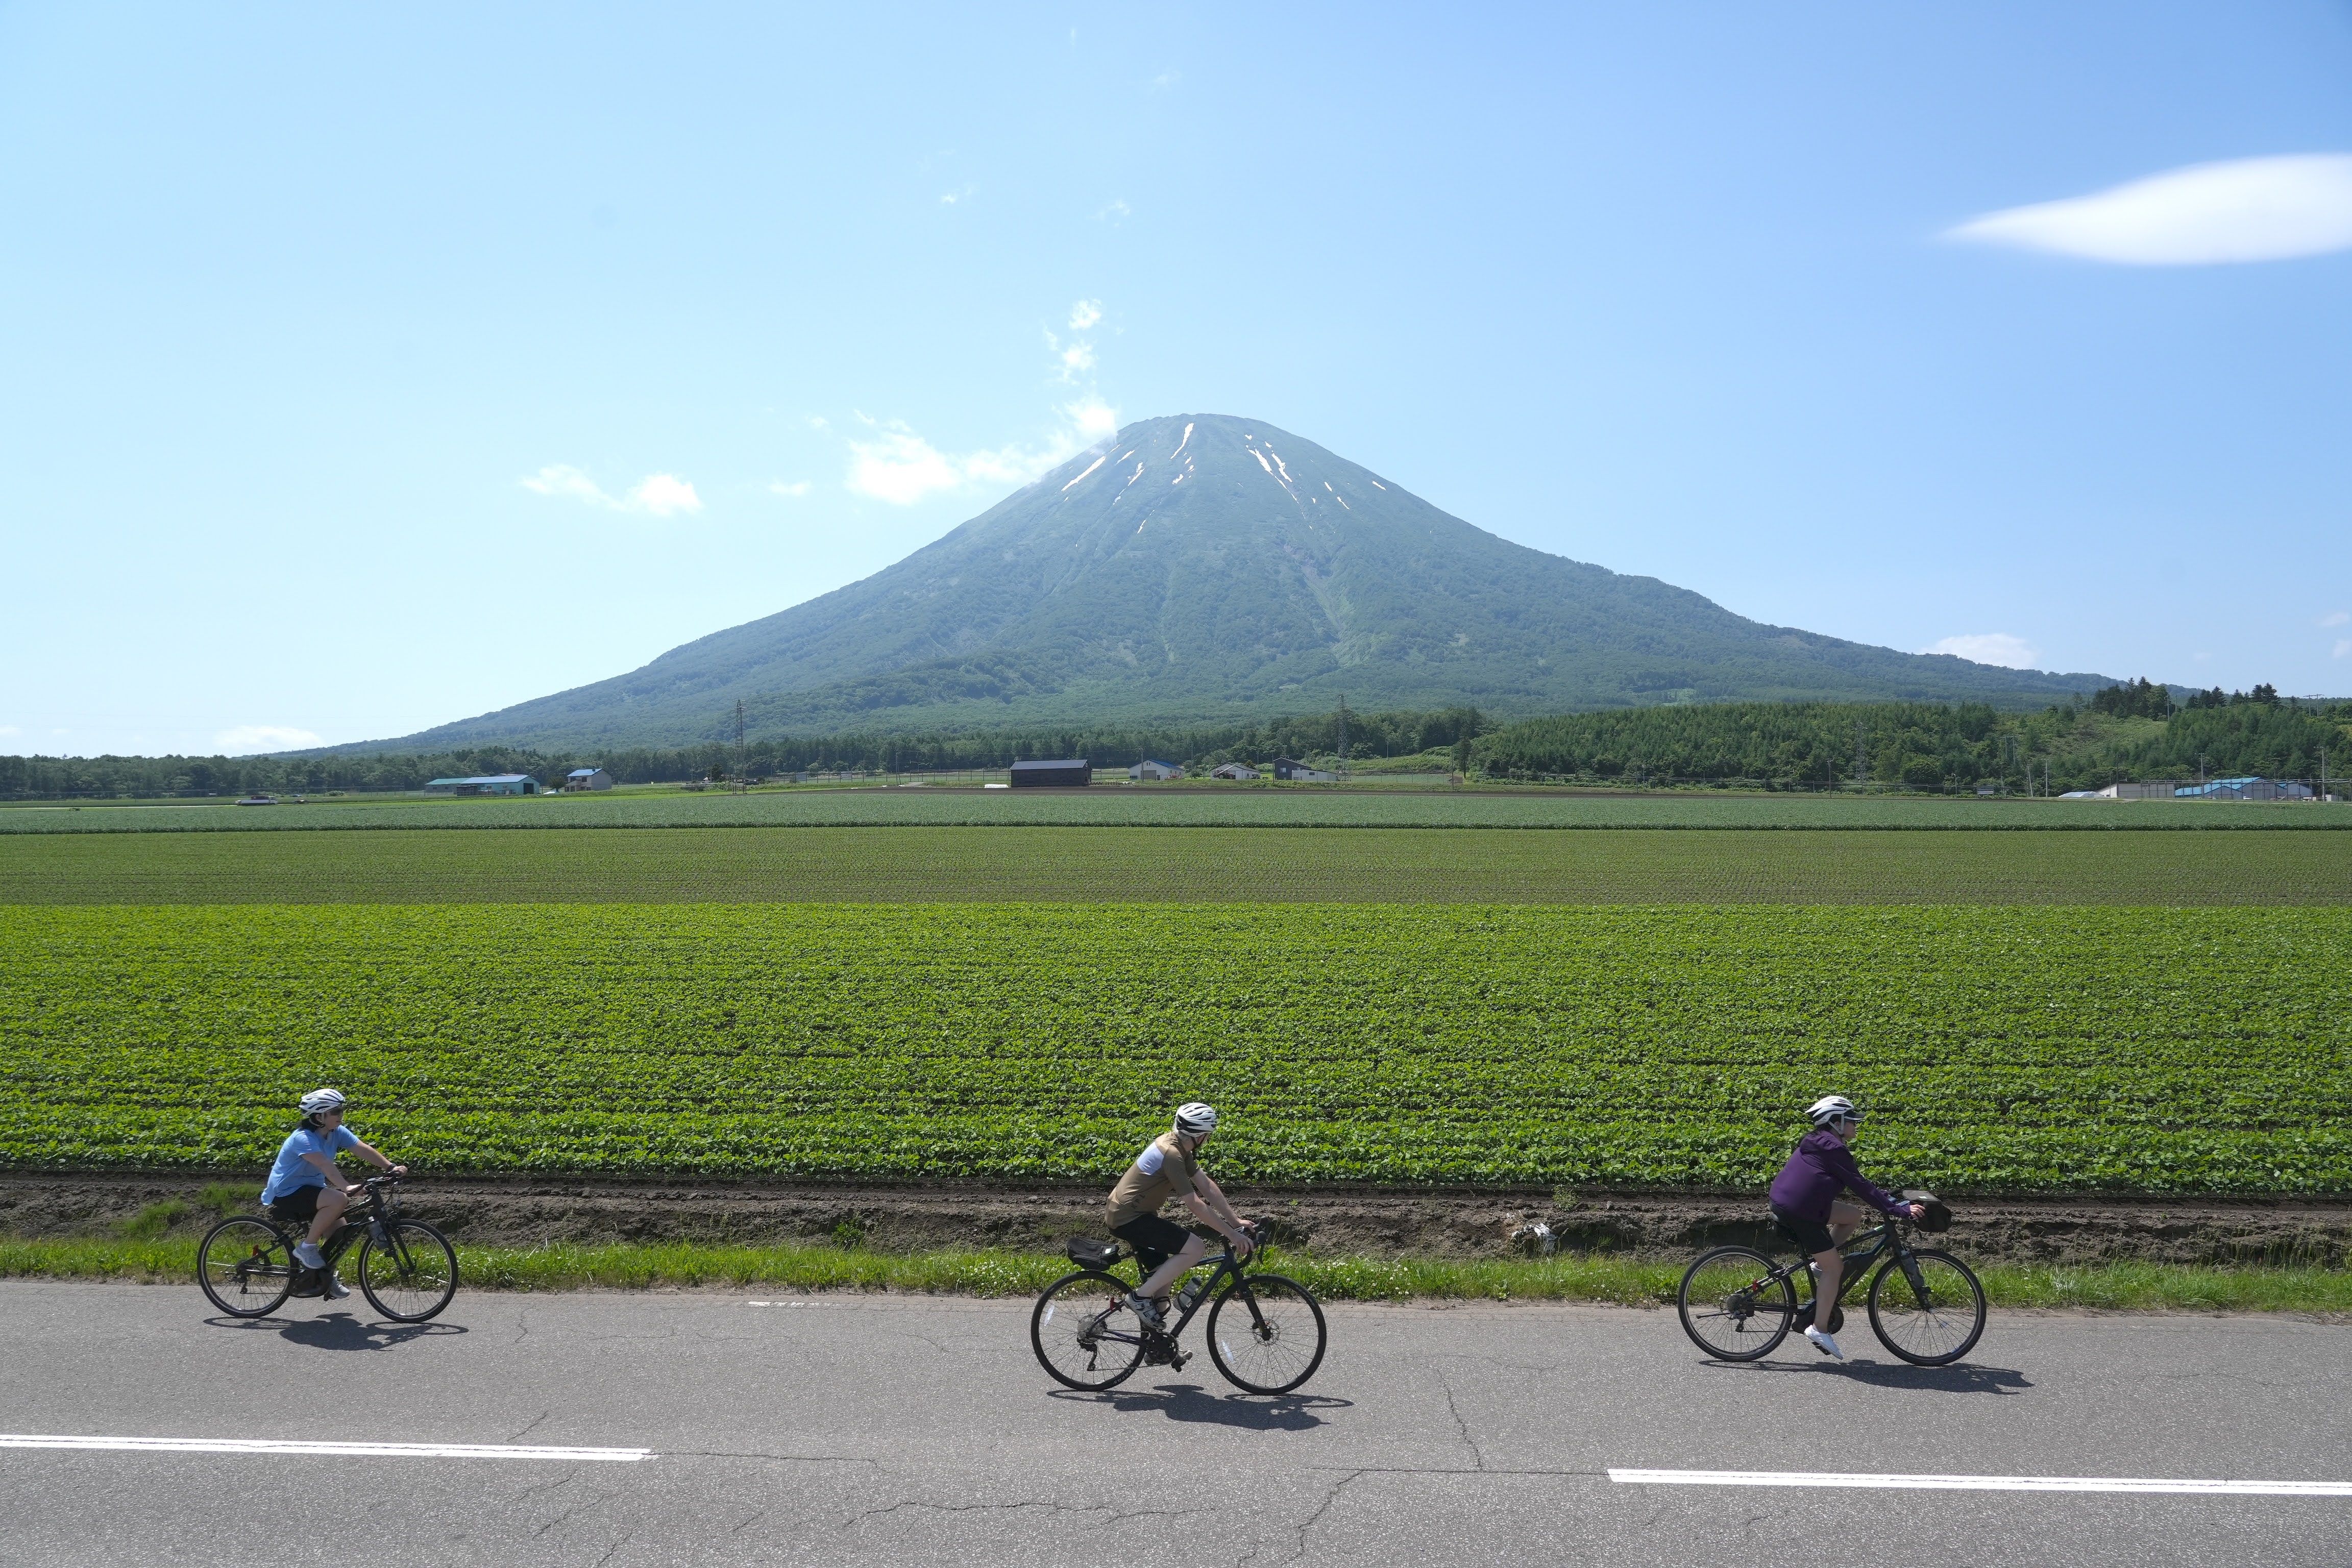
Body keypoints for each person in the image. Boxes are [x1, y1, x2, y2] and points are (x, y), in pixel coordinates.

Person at [1767, 1096, 1924, 1360]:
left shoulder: (1823, 1143)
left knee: (1852, 1215)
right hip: (1802, 1211)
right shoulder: (1832, 1147)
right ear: (1836, 1123)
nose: (1856, 1126)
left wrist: (1891, 1199)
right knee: (1836, 1268)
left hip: (1801, 1202)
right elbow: (1860, 1186)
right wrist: (1898, 1209)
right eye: (1851, 1121)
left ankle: (1820, 1267)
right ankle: (1818, 1328)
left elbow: (1858, 1181)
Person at [1104, 1102, 1256, 1332]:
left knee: (1161, 1297)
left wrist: (1235, 1221)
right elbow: (1194, 1203)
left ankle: (1157, 1349)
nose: (1208, 1140)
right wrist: (1232, 1235)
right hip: (1128, 1218)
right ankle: (1138, 1298)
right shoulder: (1172, 1154)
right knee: (1195, 1248)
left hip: (1134, 1214)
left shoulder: (1179, 1146)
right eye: (1208, 1136)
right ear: (1200, 1136)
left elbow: (1206, 1185)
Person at [259, 1088, 406, 1300]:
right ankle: (306, 1248)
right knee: (339, 1198)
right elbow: (325, 1165)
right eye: (336, 1111)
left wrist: (390, 1167)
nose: (341, 1115)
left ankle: (324, 1278)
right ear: (320, 1117)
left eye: (341, 1110)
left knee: (341, 1236)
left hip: (312, 1191)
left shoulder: (336, 1133)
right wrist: (346, 1187)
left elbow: (362, 1149)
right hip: (287, 1192)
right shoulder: (303, 1138)